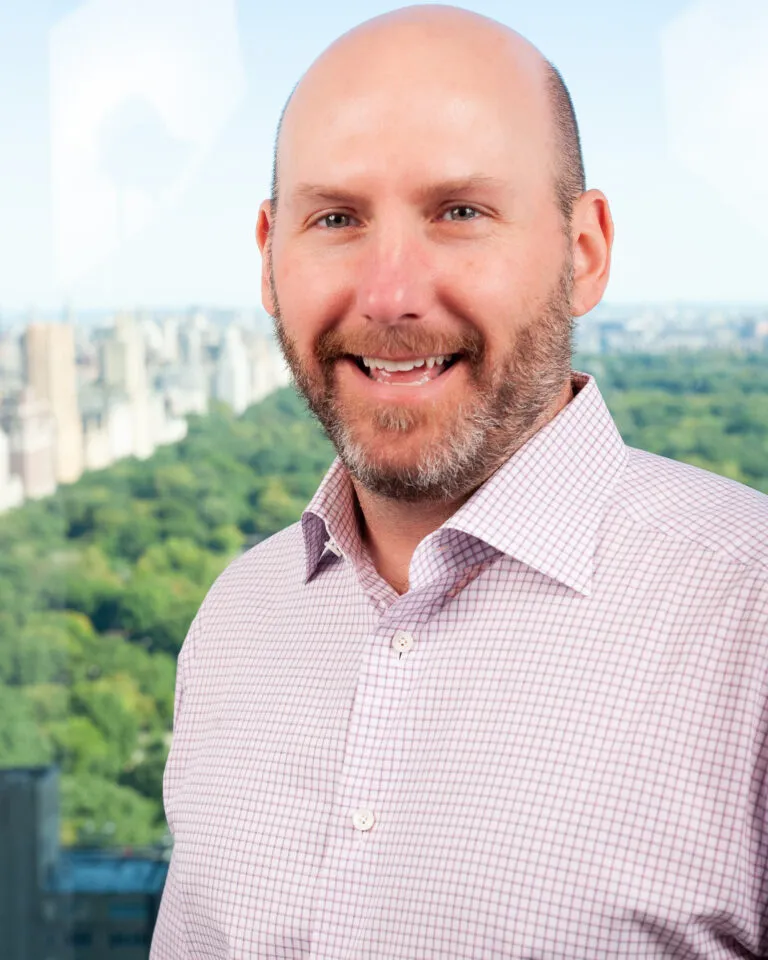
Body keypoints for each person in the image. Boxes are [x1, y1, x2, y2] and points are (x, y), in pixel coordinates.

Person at [150, 5, 768, 958]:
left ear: (585, 251)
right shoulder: (237, 621)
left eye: (461, 213)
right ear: (269, 259)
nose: (390, 293)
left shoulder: (748, 620)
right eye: (336, 219)